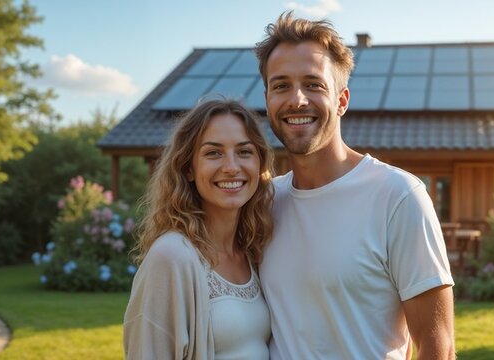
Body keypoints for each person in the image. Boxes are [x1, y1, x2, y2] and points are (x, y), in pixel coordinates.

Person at [255, 12, 456, 359]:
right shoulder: (263, 202)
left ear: (342, 100)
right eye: (281, 85)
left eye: (313, 84)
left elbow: (438, 344)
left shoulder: (397, 196)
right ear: (268, 99)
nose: (296, 99)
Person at [123, 99, 275, 359]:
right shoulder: (172, 257)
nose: (231, 167)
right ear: (189, 169)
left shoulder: (253, 250)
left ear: (259, 164)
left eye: (244, 152)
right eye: (213, 153)